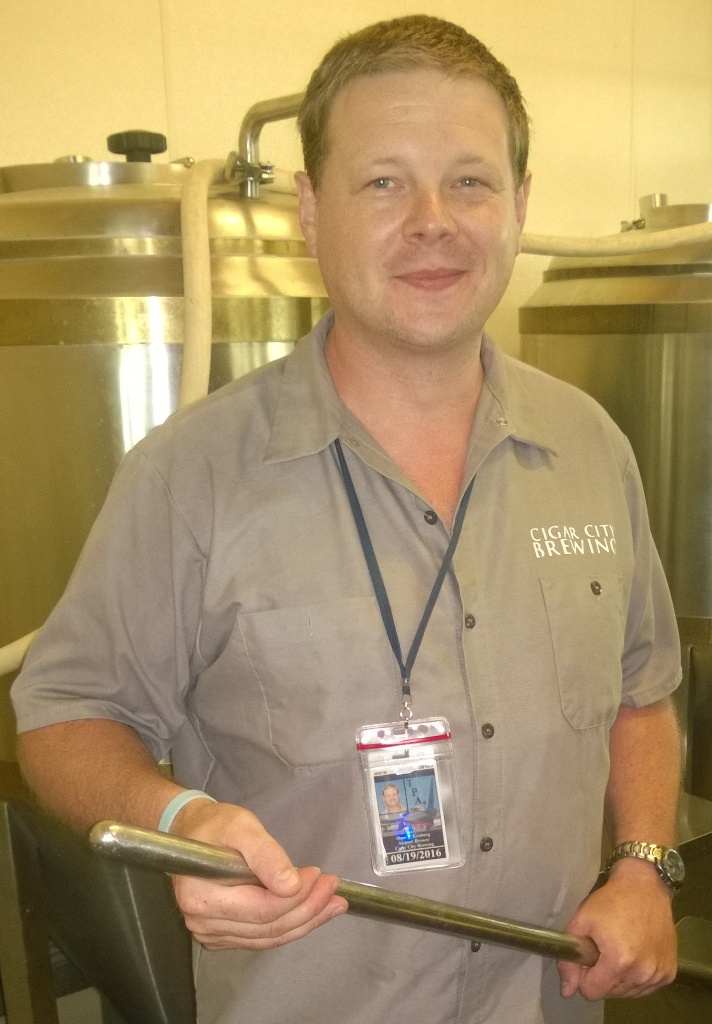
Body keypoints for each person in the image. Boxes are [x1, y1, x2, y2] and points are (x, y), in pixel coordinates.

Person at [12, 15, 683, 1024]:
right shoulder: (192, 475)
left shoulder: (590, 446)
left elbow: (643, 693)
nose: (432, 220)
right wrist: (180, 817)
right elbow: (64, 714)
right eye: (382, 182)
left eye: (470, 180)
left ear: (518, 205)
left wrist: (642, 865)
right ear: (310, 212)